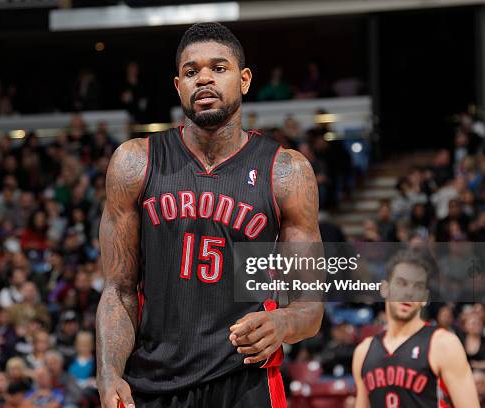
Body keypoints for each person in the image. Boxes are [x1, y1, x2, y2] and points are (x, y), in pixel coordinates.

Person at [96, 22, 323, 408]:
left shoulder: (286, 172)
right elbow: (119, 289)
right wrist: (108, 372)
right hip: (154, 382)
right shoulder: (135, 163)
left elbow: (310, 304)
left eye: (219, 68)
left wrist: (283, 324)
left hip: (245, 378)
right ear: (178, 86)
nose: (203, 78)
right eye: (191, 71)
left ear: (245, 79)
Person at [352, 249, 479, 407]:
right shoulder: (363, 352)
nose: (409, 293)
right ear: (384, 289)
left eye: (417, 287)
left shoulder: (444, 344)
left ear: (425, 298)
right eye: (401, 283)